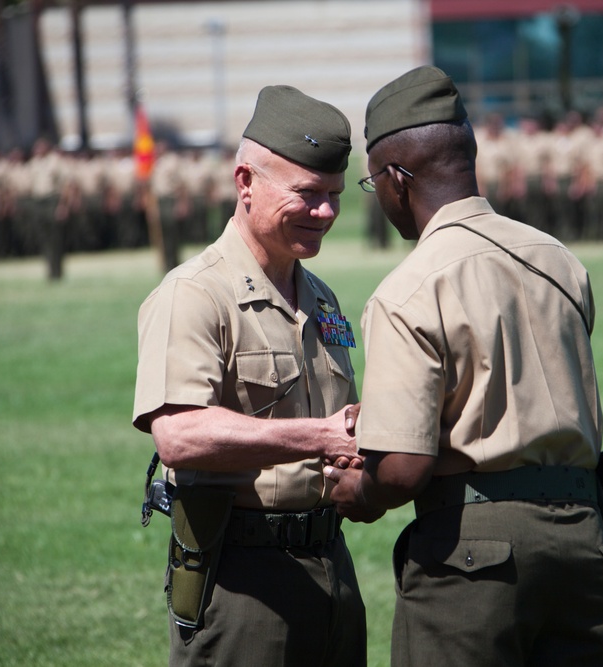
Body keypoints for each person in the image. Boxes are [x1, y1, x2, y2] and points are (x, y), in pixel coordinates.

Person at [324, 66, 603, 666]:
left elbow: (406, 469)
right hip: (588, 540)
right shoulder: (558, 260)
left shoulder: (408, 289)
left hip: (474, 557)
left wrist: (358, 490)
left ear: (395, 179)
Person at [132, 85, 367, 666]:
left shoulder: (321, 297)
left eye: (335, 195)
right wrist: (320, 437)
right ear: (245, 183)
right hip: (242, 579)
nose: (328, 213)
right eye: (308, 195)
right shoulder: (194, 294)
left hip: (331, 566)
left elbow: (346, 427)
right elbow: (179, 437)